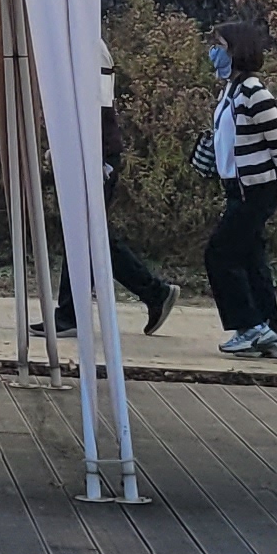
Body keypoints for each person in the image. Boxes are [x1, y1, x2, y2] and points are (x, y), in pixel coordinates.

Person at [52, 47, 177, 339]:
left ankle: (153, 292)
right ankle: (71, 314)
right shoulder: (74, 43)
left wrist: (92, 155)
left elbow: (96, 106)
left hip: (97, 155)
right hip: (88, 152)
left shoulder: (88, 47)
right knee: (84, 235)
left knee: (88, 234)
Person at [202, 21, 277, 360]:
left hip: (255, 190)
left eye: (220, 46)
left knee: (219, 253)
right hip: (238, 188)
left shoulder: (254, 92)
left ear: (236, 50)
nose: (213, 52)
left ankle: (250, 325)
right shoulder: (231, 90)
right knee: (252, 261)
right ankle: (272, 335)